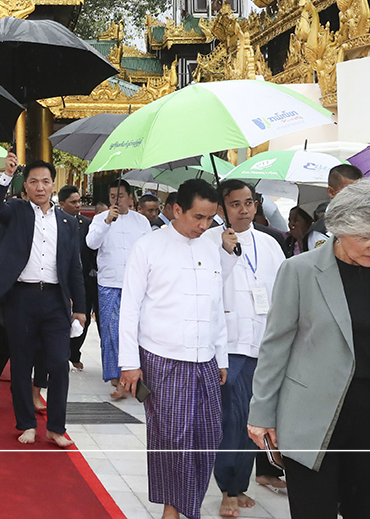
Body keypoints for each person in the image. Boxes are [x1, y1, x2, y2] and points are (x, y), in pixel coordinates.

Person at [247, 177, 370, 519]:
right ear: (338, 228)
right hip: (312, 420)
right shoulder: (300, 271)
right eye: (365, 237)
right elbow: (275, 346)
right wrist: (261, 413)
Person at [118, 179, 229, 519]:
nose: (203, 225)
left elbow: (216, 305)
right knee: (173, 441)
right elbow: (130, 307)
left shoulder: (212, 247)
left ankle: (185, 505)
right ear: (176, 209)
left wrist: (221, 356)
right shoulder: (149, 246)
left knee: (208, 437)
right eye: (198, 217)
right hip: (162, 358)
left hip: (205, 358)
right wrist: (129, 363)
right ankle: (175, 510)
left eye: (210, 218)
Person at [0, 153, 87, 447]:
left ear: (53, 185)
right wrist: (6, 175)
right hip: (21, 298)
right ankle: (26, 423)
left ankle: (56, 427)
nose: (40, 187)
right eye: (33, 182)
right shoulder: (16, 211)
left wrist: (80, 308)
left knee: (58, 363)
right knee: (22, 363)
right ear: (25, 186)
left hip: (55, 300)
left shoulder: (67, 222)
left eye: (45, 181)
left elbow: (75, 267)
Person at [202, 180, 285, 518]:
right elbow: (206, 288)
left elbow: (283, 289)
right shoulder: (209, 241)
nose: (244, 209)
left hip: (263, 343)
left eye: (249, 202)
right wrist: (223, 251)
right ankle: (226, 488)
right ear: (222, 208)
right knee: (229, 419)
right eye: (235, 204)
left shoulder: (269, 243)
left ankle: (241, 484)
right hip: (229, 343)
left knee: (256, 418)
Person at [87, 178, 153, 399]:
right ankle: (117, 379)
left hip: (136, 284)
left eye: (121, 196)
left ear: (130, 198)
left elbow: (149, 250)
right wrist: (107, 222)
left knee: (134, 331)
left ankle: (132, 378)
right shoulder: (99, 219)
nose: (117, 200)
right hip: (109, 283)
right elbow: (91, 243)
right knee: (111, 332)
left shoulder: (141, 221)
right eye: (113, 197)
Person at [61, 185, 96, 373]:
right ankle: (62, 353)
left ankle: (75, 353)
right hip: (61, 279)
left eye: (79, 201)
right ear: (62, 204)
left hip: (83, 278)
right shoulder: (57, 223)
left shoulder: (86, 224)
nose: (78, 205)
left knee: (83, 318)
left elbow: (92, 250)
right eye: (73, 202)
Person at [310, 164, 364, 239]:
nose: (356, 197)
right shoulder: (322, 230)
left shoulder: (368, 220)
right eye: (349, 192)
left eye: (361, 191)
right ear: (331, 192)